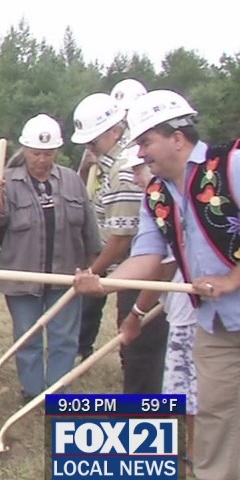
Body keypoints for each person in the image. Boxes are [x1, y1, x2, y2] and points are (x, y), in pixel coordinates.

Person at [74, 90, 240, 480]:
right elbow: (147, 257)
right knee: (213, 406)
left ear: (177, 137)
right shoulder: (158, 194)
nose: (140, 152)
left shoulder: (234, 166)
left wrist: (232, 279)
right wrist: (103, 283)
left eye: (145, 142)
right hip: (214, 321)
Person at [115, 147, 240, 476]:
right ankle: (236, 440)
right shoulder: (164, 198)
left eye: (140, 169)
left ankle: (195, 452)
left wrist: (135, 312)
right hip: (193, 305)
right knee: (214, 380)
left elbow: (162, 266)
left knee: (195, 383)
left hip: (197, 309)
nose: (135, 177)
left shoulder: (174, 199)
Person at [0, 114, 101, 400]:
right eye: (36, 153)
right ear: (25, 151)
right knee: (28, 336)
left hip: (65, 274)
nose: (42, 159)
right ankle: (33, 391)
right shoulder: (7, 182)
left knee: (64, 336)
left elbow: (88, 225)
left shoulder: (71, 181)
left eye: (48, 153)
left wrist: (94, 262)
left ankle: (58, 392)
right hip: (22, 276)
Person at [70, 90, 167, 391]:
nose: (90, 147)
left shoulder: (125, 170)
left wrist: (94, 273)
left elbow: (121, 239)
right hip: (132, 267)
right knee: (134, 343)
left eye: (94, 140)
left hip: (140, 269)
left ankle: (143, 415)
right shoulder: (108, 164)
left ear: (114, 131)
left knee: (139, 345)